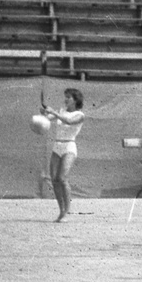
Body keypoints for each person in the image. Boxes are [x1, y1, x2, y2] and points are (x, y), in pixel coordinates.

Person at [40, 86, 85, 220]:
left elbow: (69, 121)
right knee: (54, 179)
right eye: (65, 97)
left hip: (69, 146)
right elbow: (48, 118)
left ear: (75, 100)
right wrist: (43, 113)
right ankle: (62, 211)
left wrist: (54, 112)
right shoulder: (61, 111)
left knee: (62, 178)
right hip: (57, 145)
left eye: (68, 97)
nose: (65, 100)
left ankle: (68, 209)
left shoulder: (80, 115)